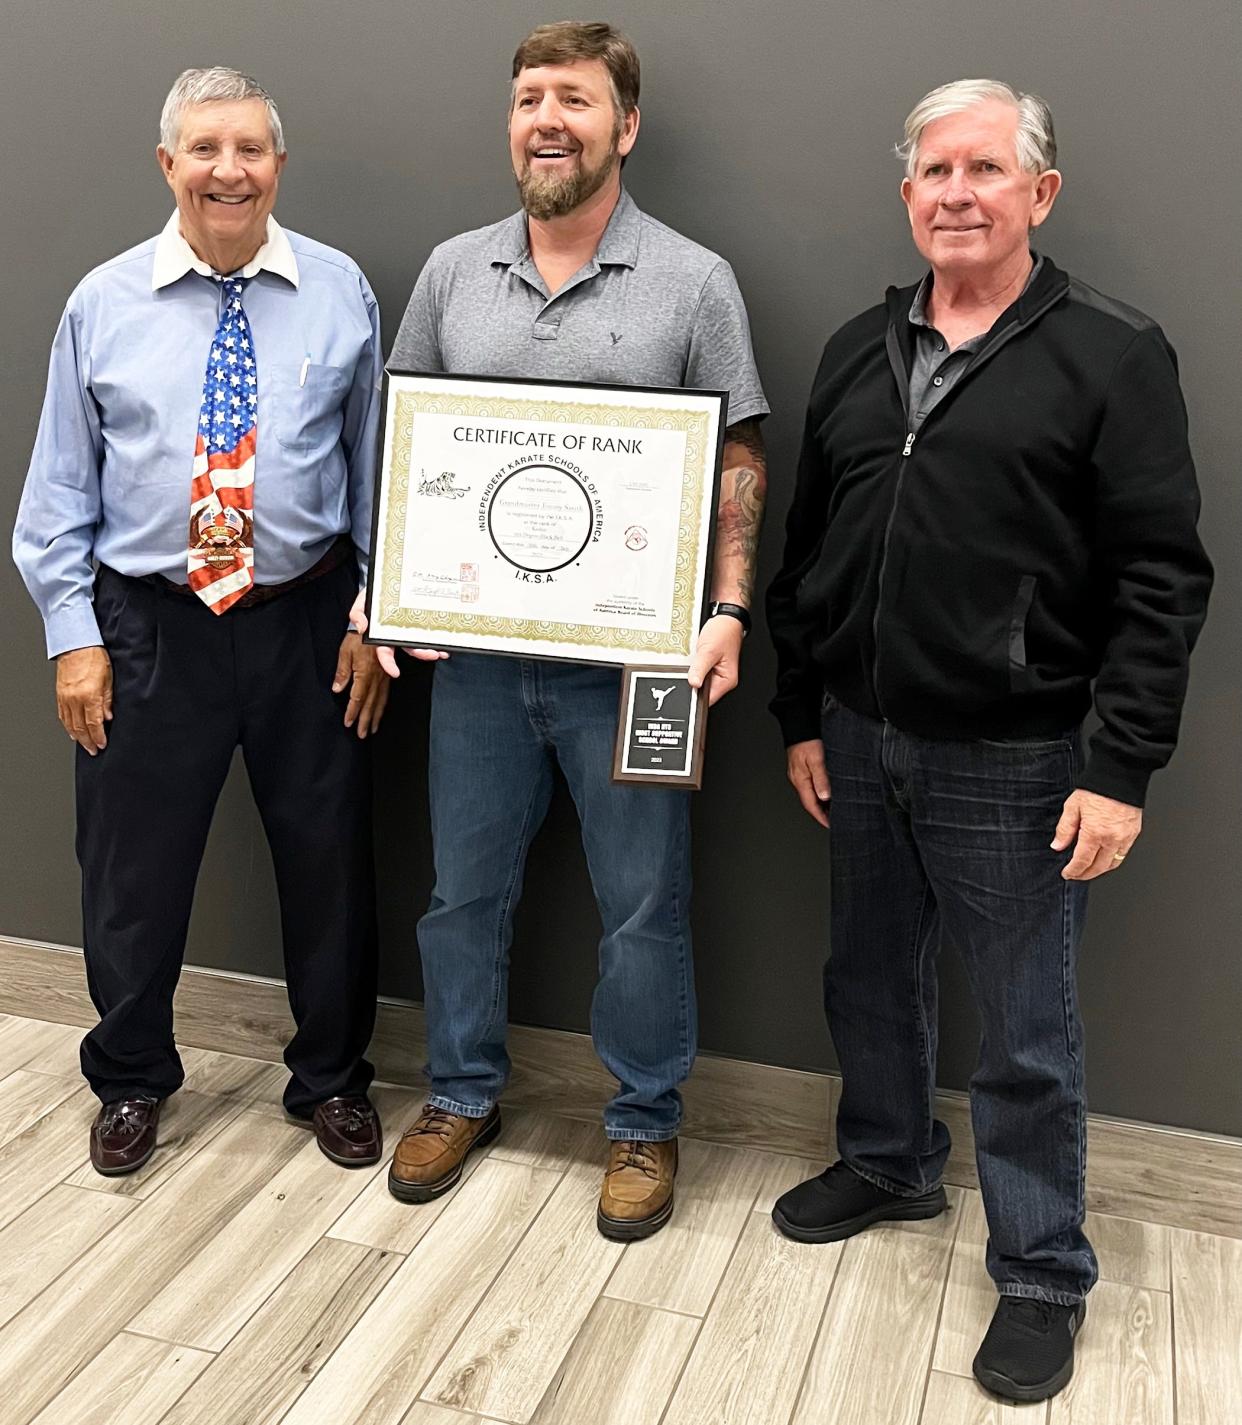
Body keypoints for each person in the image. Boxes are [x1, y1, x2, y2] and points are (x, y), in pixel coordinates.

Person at [766, 79, 1211, 1403]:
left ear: (1038, 194)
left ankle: (1038, 1273)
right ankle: (890, 1162)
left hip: (1017, 755)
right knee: (866, 979)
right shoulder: (855, 345)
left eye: (984, 170)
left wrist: (1118, 763)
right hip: (856, 730)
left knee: (1025, 1031)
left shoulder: (1112, 353)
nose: (955, 193)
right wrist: (802, 711)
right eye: (932, 173)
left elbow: (1158, 577)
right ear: (905, 195)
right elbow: (806, 550)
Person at [357, 21, 768, 1239]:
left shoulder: (695, 282)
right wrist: (385, 583)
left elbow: (739, 452)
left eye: (575, 100)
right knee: (459, 894)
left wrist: (730, 608)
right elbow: (404, 443)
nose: (549, 118)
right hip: (476, 661)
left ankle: (642, 1123)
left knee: (643, 904)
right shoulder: (449, 272)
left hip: (636, 667)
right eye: (530, 97)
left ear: (623, 127)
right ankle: (460, 1092)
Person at [13, 66, 388, 1177]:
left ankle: (331, 1077)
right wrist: (73, 635)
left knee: (329, 863)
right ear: (168, 162)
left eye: (252, 150)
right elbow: (56, 495)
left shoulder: (340, 291)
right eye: (206, 149)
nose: (231, 170)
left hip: (308, 618)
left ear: (279, 165)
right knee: (131, 871)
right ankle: (130, 1076)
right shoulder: (103, 303)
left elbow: (379, 473)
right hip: (148, 623)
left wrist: (373, 612)